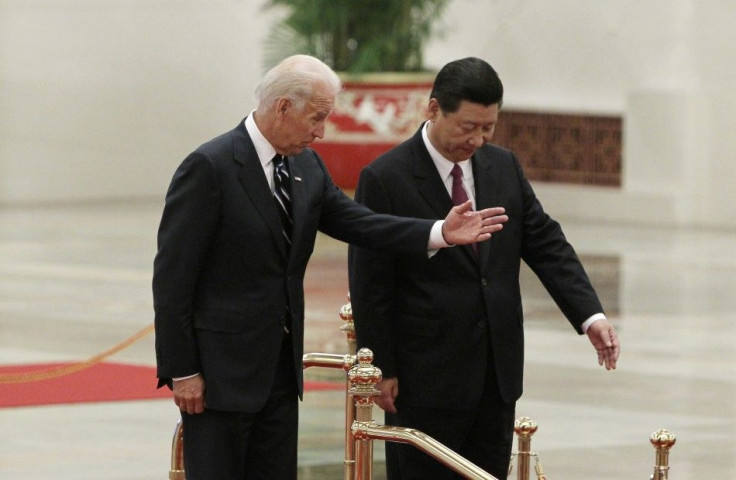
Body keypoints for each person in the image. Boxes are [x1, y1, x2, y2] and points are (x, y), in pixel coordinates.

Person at [152, 54, 508, 480]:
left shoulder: (305, 165)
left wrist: (439, 233)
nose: (321, 132)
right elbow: (173, 280)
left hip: (280, 377)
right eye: (316, 118)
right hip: (217, 378)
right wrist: (182, 370)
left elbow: (360, 223)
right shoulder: (211, 167)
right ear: (282, 107)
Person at [348, 57, 620, 480]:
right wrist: (383, 365)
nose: (477, 139)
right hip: (425, 379)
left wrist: (590, 315)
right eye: (467, 126)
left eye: (488, 127)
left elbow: (546, 243)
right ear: (433, 109)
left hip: (496, 375)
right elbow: (370, 282)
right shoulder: (386, 178)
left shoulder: (503, 166)